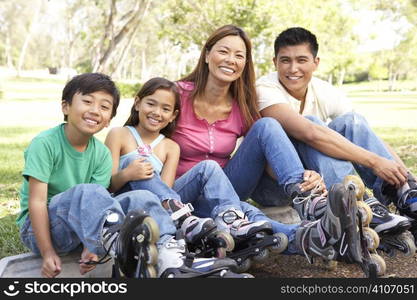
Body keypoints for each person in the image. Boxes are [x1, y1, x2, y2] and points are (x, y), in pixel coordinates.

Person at [169, 24, 380, 275]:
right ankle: (313, 238)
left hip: (225, 186)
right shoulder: (177, 95)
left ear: (246, 64)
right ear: (206, 55)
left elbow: (263, 151)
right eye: (223, 51)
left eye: (239, 56)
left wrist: (306, 175)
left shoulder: (243, 104)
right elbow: (141, 142)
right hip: (180, 192)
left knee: (267, 125)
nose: (230, 60)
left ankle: (307, 200)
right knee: (249, 214)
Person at [15, 73, 246, 279]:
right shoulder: (45, 144)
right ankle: (120, 246)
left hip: (83, 229)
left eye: (104, 107)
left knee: (143, 197)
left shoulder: (101, 155)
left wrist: (91, 246)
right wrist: (47, 252)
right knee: (88, 191)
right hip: (42, 228)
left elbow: (97, 205)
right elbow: (37, 202)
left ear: (110, 117)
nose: (95, 110)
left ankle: (169, 259)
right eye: (87, 101)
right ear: (65, 106)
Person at [256, 27, 416, 250]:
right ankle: (356, 206)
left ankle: (404, 196)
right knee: (312, 126)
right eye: (285, 61)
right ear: (275, 62)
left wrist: (402, 174)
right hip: (277, 185)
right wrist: (374, 161)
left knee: (352, 121)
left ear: (316, 62)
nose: (293, 68)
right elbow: (309, 133)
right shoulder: (264, 89)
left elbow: (364, 132)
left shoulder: (323, 89)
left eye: (302, 60)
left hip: (316, 180)